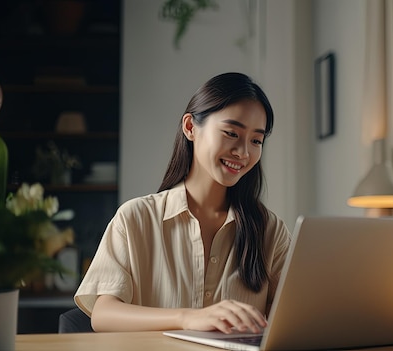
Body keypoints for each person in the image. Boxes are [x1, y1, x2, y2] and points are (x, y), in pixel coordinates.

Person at [74, 72, 292, 333]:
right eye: (231, 133)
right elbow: (103, 315)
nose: (244, 152)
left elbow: (296, 317)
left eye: (256, 140)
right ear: (190, 127)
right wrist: (187, 318)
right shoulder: (135, 219)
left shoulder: (270, 230)